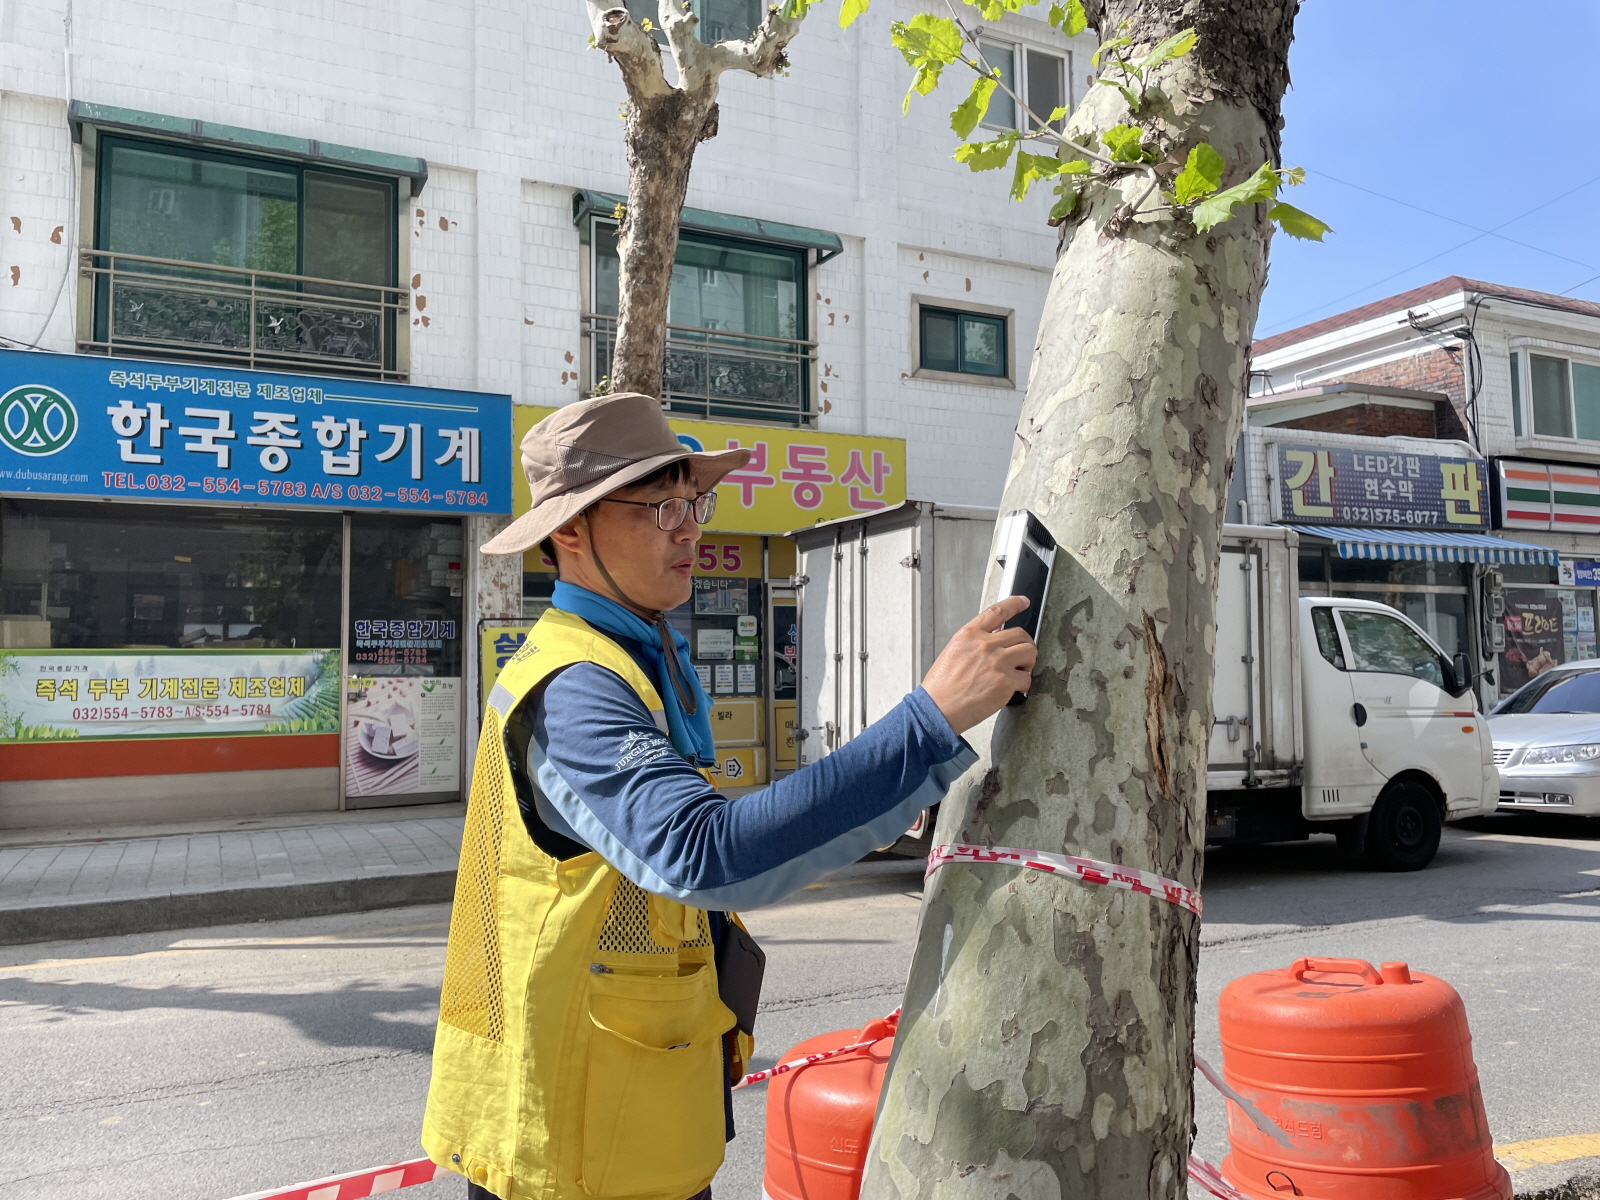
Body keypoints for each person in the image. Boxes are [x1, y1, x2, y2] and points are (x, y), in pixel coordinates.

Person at [422, 393, 1037, 1200]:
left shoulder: (638, 654)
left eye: (695, 502)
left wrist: (879, 807)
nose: (690, 527)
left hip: (634, 1132)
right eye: (661, 506)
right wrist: (927, 722)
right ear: (568, 533)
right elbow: (703, 850)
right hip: (569, 1154)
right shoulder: (575, 687)